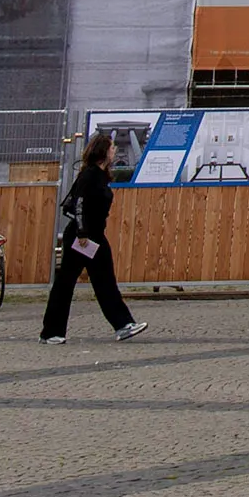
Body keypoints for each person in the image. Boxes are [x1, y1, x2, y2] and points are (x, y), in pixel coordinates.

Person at [41, 133, 146, 345]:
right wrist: (81, 233)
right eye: (112, 148)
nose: (114, 151)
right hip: (83, 237)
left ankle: (122, 324)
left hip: (94, 235)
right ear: (103, 151)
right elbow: (78, 204)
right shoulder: (89, 175)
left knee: (104, 280)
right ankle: (51, 331)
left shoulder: (100, 175)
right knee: (66, 283)